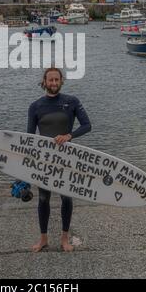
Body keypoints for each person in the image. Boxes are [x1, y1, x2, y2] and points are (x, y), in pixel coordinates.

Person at [27, 67, 92, 253]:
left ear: (61, 81)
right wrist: (24, 168)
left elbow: (87, 126)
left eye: (57, 80)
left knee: (66, 198)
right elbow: (29, 137)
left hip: (66, 159)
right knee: (43, 198)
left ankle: (64, 239)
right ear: (44, 82)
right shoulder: (35, 106)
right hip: (44, 161)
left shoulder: (71, 102)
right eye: (50, 80)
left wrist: (69, 136)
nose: (54, 83)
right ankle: (43, 239)